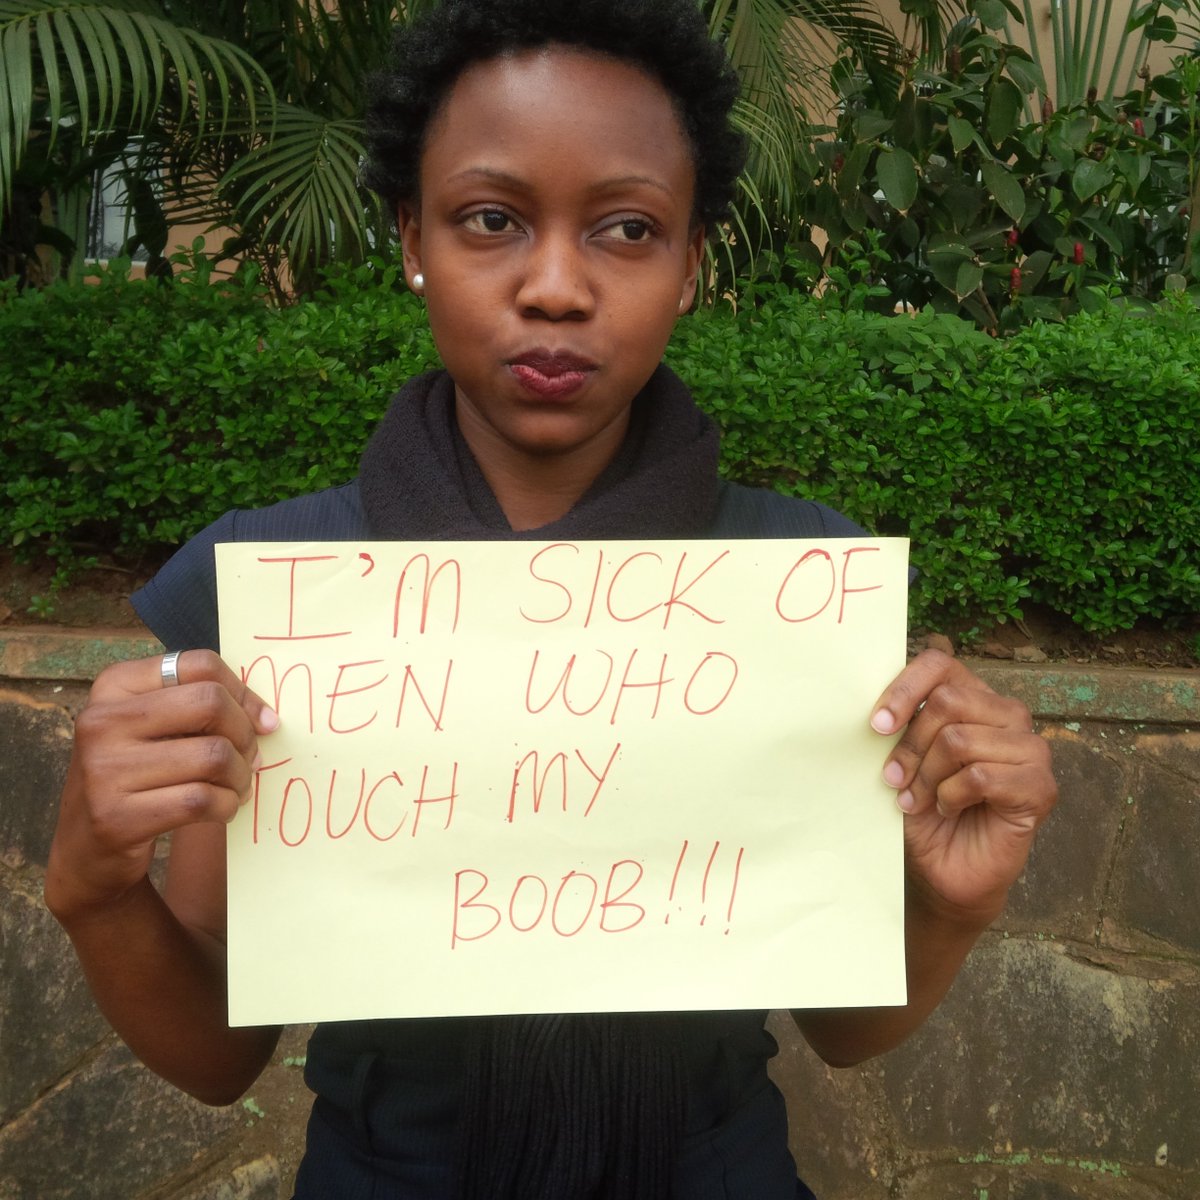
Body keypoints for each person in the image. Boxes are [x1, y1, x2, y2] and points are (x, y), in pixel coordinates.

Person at [44, 1, 1058, 1197]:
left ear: (690, 265)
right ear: (411, 235)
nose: (557, 286)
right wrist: (93, 890)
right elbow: (220, 1056)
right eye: (491, 219)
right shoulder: (279, 592)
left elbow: (841, 1030)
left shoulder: (798, 588)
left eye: (628, 228)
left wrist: (950, 906)